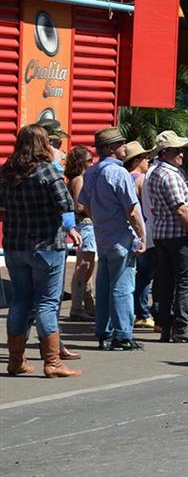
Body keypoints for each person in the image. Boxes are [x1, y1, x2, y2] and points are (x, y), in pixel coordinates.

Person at [1, 125, 81, 377]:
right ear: (43, 144)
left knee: (20, 300)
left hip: (14, 244)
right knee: (46, 302)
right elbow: (66, 203)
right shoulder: (47, 169)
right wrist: (71, 228)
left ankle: (16, 360)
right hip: (47, 244)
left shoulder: (6, 171)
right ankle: (53, 362)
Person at [80, 127, 147, 351]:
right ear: (110, 148)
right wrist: (142, 236)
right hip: (121, 236)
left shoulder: (91, 172)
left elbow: (85, 204)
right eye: (120, 144)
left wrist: (99, 221)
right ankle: (122, 334)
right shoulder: (119, 173)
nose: (124, 147)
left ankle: (104, 331)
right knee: (122, 286)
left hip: (103, 235)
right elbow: (132, 210)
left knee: (104, 285)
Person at [148, 131, 188, 342]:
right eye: (176, 150)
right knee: (184, 282)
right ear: (164, 153)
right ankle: (180, 327)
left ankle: (165, 326)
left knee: (166, 282)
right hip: (177, 235)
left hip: (162, 233)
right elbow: (180, 209)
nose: (181, 154)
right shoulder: (169, 175)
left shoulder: (156, 172)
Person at [123, 141, 156, 328]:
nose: (148, 161)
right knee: (146, 272)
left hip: (125, 230)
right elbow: (149, 206)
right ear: (136, 160)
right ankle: (142, 311)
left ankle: (134, 309)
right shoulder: (141, 179)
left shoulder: (124, 177)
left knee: (132, 272)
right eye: (145, 157)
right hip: (143, 229)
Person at [65, 146, 97, 322]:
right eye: (89, 160)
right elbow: (79, 205)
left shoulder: (81, 178)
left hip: (86, 224)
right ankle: (77, 308)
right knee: (84, 266)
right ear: (81, 162)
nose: (92, 163)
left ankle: (89, 306)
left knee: (88, 266)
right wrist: (96, 208)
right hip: (85, 224)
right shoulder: (79, 179)